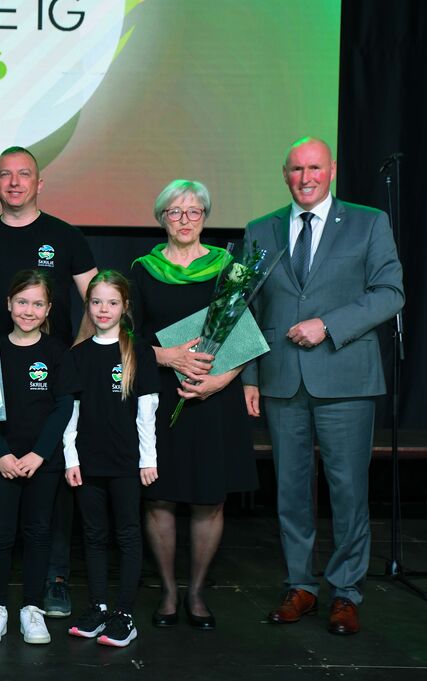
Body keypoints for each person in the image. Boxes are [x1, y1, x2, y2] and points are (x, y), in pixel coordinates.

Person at [243, 137, 404, 636]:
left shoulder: (368, 222)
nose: (305, 177)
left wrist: (328, 325)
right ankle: (301, 586)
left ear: (331, 170)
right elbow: (247, 307)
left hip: (346, 377)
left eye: (314, 167)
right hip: (281, 380)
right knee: (290, 491)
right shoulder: (260, 229)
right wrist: (249, 376)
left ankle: (346, 592)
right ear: (284, 174)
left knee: (348, 490)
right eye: (296, 169)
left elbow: (390, 293)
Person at [0, 146, 97, 617]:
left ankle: (55, 578)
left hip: (48, 379)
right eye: (6, 175)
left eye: (24, 174)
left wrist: (74, 357)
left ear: (39, 183)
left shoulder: (67, 237)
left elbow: (96, 299)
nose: (15, 182)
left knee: (53, 478)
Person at [131, 180, 258, 631]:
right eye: (174, 211)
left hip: (214, 397)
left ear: (205, 216)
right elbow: (126, 337)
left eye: (194, 211)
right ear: (161, 218)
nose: (184, 220)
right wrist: (167, 357)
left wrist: (216, 383)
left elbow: (244, 333)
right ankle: (168, 591)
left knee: (209, 498)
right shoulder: (142, 270)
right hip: (161, 394)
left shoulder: (230, 268)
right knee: (160, 497)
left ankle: (197, 592)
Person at [0, 270, 73, 646]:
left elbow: (64, 407)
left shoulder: (57, 352)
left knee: (38, 533)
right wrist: (0, 452)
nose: (28, 311)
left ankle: (32, 608)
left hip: (42, 461)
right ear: (8, 304)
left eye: (37, 304)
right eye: (22, 302)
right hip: (0, 459)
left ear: (48, 309)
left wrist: (39, 454)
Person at [60, 270, 159, 648]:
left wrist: (147, 460)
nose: (104, 309)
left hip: (127, 463)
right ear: (88, 305)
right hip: (88, 463)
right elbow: (70, 415)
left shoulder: (139, 352)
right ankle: (99, 607)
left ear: (125, 307)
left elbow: (147, 412)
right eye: (97, 302)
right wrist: (71, 459)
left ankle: (124, 615)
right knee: (94, 535)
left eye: (112, 302)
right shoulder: (77, 355)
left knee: (128, 534)